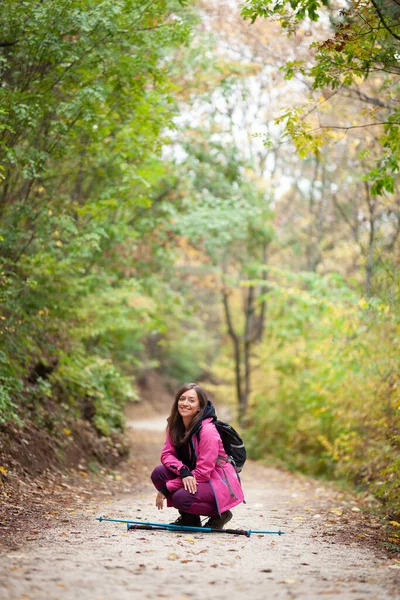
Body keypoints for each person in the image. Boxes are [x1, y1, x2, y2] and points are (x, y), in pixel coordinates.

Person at [150, 382, 245, 528]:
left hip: (216, 481)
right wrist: (183, 471)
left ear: (200, 406)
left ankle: (220, 514)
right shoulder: (175, 425)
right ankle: (190, 518)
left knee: (180, 498)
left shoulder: (208, 431)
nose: (185, 403)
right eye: (182, 399)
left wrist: (167, 487)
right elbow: (167, 454)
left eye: (191, 400)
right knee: (159, 473)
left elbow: (203, 473)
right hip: (194, 475)